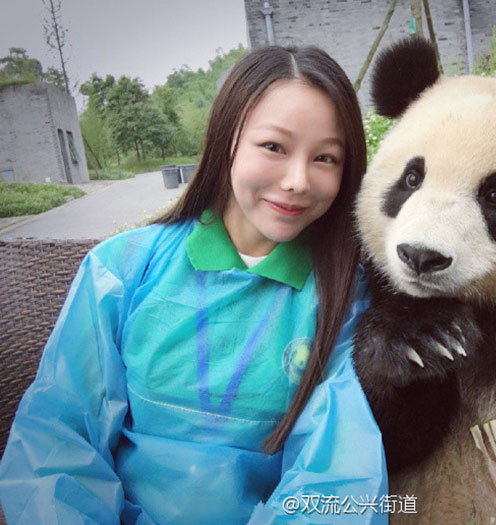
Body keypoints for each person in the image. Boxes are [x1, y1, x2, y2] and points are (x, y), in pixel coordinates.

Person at [0, 45, 387, 524]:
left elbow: (338, 476)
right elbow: (57, 440)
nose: (297, 180)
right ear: (228, 139)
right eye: (274, 146)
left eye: (325, 157)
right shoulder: (120, 271)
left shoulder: (346, 298)